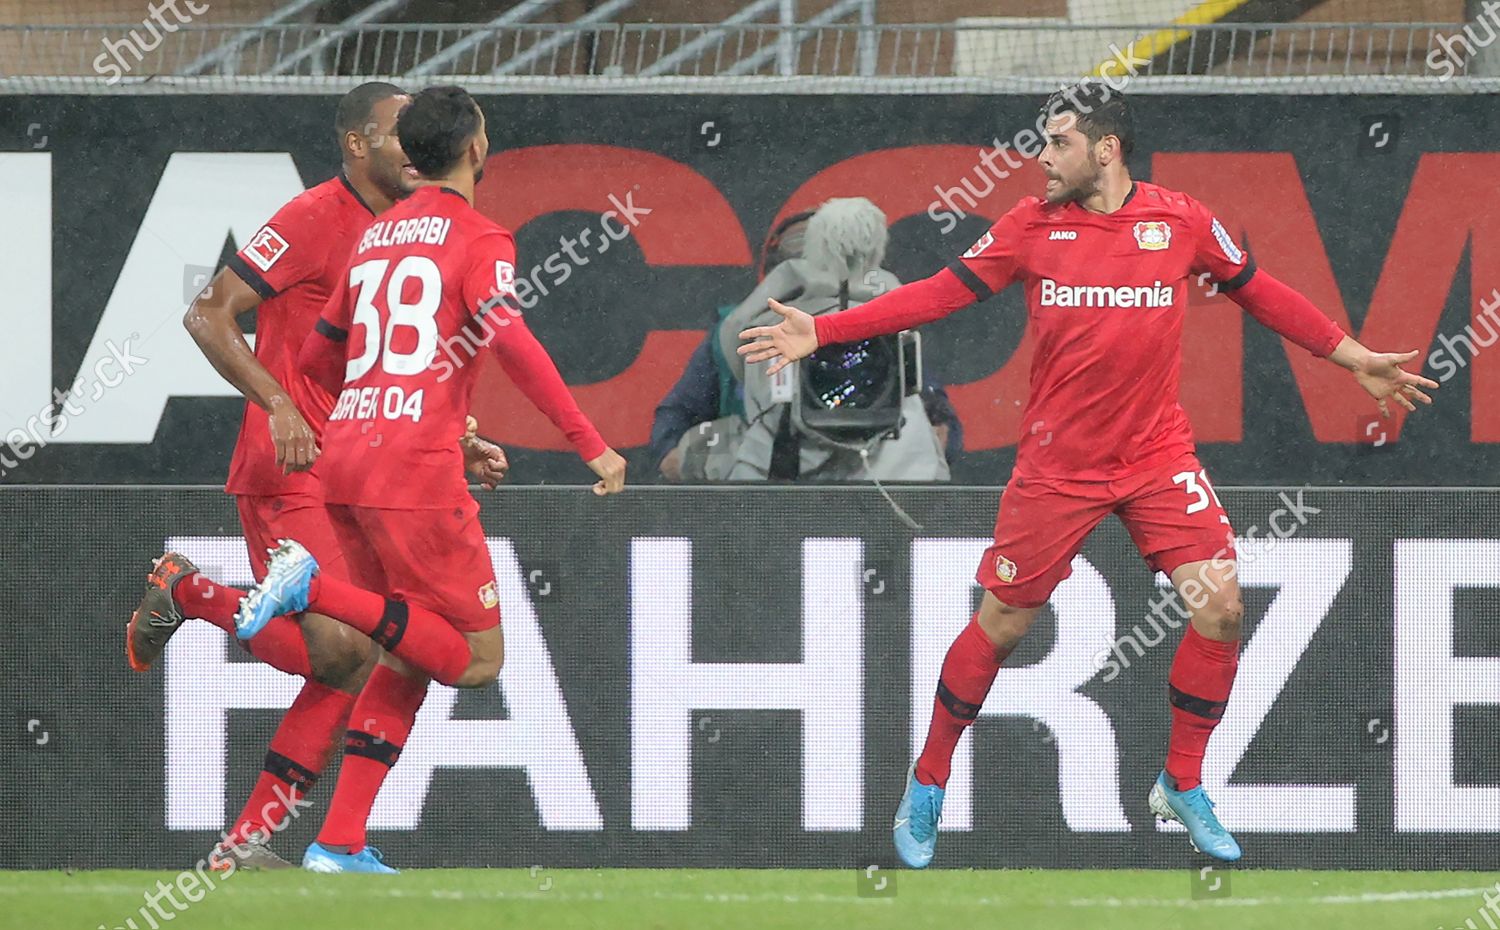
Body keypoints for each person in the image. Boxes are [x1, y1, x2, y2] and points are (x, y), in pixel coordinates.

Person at [739, 84, 1436, 866]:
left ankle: (1181, 780)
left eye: (1059, 142)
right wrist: (826, 330)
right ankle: (929, 780)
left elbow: (1261, 293)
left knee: (1224, 608)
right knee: (1003, 625)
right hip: (1057, 467)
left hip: (1154, 457)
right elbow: (940, 295)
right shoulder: (1030, 227)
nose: (1043, 156)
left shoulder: (1180, 220)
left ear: (1105, 149)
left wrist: (1352, 357)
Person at [233, 85, 626, 874]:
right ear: (477, 149)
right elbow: (510, 341)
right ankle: (308, 589)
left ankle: (337, 842)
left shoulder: (375, 236)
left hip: (348, 456)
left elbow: (316, 359)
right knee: (478, 661)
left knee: (404, 649)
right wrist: (590, 441)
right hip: (412, 473)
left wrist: (415, 414)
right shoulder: (481, 237)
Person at [124, 81, 507, 871]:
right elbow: (208, 311)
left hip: (361, 471)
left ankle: (247, 847)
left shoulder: (404, 235)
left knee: (374, 651)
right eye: (395, 131)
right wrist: (278, 402)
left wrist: (452, 439)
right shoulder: (310, 217)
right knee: (347, 650)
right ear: (357, 145)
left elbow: (388, 371)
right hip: (288, 464)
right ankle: (191, 593)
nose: (412, 146)